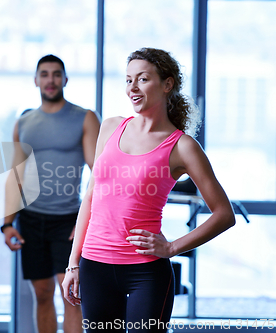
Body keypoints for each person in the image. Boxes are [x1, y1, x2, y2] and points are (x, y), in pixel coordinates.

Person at [61, 47, 236, 332]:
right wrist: (73, 264)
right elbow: (91, 197)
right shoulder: (110, 127)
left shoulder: (182, 146)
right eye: (128, 80)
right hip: (94, 267)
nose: (133, 87)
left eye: (142, 79)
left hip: (146, 273)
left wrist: (172, 247)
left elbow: (224, 214)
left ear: (167, 84)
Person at [1, 54, 101, 333]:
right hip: (31, 220)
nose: (50, 80)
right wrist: (7, 223)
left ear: (65, 79)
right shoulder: (24, 122)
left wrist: (88, 222)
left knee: (71, 296)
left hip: (69, 220)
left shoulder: (85, 118)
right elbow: (15, 175)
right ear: (36, 80)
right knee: (42, 294)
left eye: (56, 74)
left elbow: (99, 173)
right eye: (44, 74)